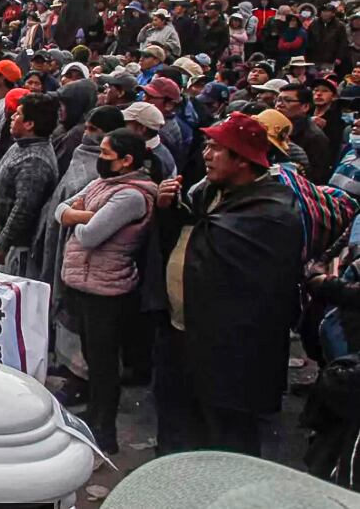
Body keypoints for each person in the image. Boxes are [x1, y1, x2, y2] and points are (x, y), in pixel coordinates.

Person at [154, 112, 302, 456]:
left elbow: (260, 295)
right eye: (206, 145)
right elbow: (186, 240)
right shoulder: (209, 194)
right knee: (180, 425)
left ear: (243, 160)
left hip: (228, 354)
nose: (206, 154)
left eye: (217, 148)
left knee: (225, 439)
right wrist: (168, 210)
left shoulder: (271, 214)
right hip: (182, 335)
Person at [57, 129, 158, 455]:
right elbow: (62, 209)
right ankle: (95, 414)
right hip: (82, 283)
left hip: (107, 289)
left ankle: (105, 429)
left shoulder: (131, 195)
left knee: (103, 364)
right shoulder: (106, 184)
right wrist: (82, 215)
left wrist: (79, 217)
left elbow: (89, 236)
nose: (100, 160)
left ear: (127, 160)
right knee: (91, 355)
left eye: (106, 155)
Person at [0, 92, 60, 273]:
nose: (12, 117)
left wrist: (3, 243)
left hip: (18, 248)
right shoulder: (22, 144)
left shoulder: (35, 160)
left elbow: (24, 209)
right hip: (6, 240)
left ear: (29, 124)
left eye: (18, 114)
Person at [277, 83, 332, 184]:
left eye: (287, 100)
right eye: (279, 100)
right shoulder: (276, 128)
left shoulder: (314, 137)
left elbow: (317, 178)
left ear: (305, 107)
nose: (280, 104)